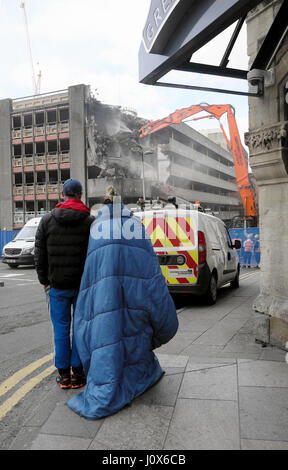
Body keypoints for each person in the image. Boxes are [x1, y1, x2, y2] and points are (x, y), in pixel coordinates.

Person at [66, 186, 178, 420]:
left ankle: (110, 377)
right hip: (133, 294)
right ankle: (137, 374)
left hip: (104, 294)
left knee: (108, 332)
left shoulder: (97, 226)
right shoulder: (135, 225)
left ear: (105, 206)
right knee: (132, 327)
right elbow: (149, 270)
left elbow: (91, 270)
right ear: (122, 205)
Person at [34, 179, 94, 389]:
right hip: (82, 286)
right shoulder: (89, 221)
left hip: (57, 285)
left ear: (63, 194)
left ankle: (64, 375)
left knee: (60, 329)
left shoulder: (47, 220)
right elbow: (94, 255)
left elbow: (39, 254)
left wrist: (44, 280)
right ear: (80, 194)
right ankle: (78, 374)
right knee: (79, 328)